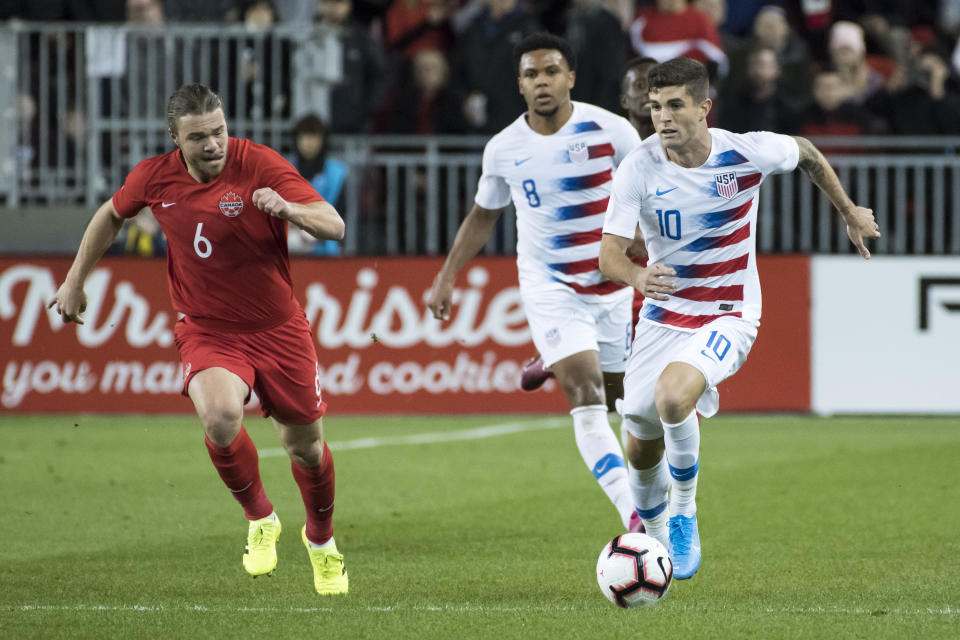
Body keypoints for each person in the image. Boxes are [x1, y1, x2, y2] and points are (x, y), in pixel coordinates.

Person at [48, 84, 349, 596]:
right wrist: (76, 278)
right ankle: (261, 518)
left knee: (306, 448)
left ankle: (321, 541)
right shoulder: (153, 176)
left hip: (279, 330)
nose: (213, 144)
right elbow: (111, 215)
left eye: (219, 131)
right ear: (175, 139)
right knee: (219, 416)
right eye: (198, 137)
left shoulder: (258, 163)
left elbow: (335, 226)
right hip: (208, 329)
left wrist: (289, 210)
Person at [598, 57, 879, 580]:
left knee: (673, 397)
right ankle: (654, 535)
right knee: (638, 437)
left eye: (675, 105)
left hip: (729, 312)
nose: (662, 116)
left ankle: (684, 510)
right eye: (655, 106)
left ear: (704, 108)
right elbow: (608, 254)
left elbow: (808, 154)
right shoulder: (638, 165)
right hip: (663, 316)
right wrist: (637, 279)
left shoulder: (743, 151)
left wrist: (848, 211)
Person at [427, 33, 644, 533]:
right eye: (531, 75)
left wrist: (639, 238)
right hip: (552, 285)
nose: (541, 82)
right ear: (519, 85)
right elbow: (484, 216)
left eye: (550, 72)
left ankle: (548, 358)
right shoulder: (503, 149)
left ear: (570, 77)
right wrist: (446, 276)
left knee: (617, 401)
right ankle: (632, 515)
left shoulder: (612, 133)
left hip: (612, 287)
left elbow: (648, 195)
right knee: (586, 394)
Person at [521, 54, 657, 392]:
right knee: (625, 387)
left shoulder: (680, 143)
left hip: (660, 265)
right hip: (611, 266)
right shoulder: (604, 140)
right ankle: (558, 353)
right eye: (640, 86)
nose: (649, 93)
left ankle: (555, 356)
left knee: (636, 387)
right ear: (625, 100)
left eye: (656, 85)